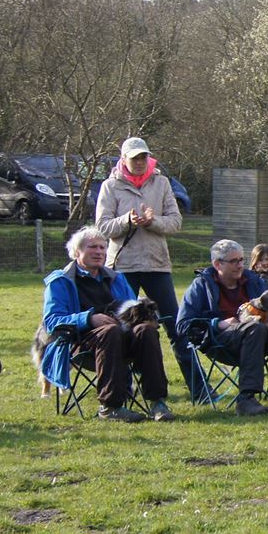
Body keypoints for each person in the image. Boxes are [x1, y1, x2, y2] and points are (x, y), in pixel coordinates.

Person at [40, 226, 174, 421]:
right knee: (109, 331)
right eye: (92, 247)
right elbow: (52, 322)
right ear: (77, 252)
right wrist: (89, 319)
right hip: (82, 345)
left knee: (146, 330)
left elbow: (131, 308)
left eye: (103, 247)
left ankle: (158, 403)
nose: (99, 252)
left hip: (124, 340)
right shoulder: (60, 282)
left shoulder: (117, 278)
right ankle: (110, 407)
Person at [179, 238, 268, 416]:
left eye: (241, 260)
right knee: (255, 327)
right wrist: (218, 324)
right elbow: (183, 324)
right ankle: (246, 399)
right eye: (234, 261)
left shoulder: (253, 280)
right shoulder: (201, 285)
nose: (240, 265)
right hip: (221, 341)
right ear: (217, 264)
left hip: (259, 339)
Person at [95, 136, 188, 375]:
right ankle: (125, 386)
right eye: (135, 158)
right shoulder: (110, 186)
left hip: (157, 265)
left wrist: (152, 221)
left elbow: (175, 222)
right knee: (123, 328)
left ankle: (198, 388)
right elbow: (103, 227)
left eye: (143, 157)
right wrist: (127, 220)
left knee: (175, 326)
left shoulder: (162, 183)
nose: (139, 162)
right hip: (122, 268)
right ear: (123, 159)